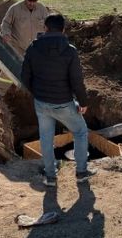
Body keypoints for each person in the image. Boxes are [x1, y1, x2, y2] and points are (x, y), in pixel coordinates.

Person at [21, 14, 96, 187]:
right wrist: (83, 102)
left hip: (41, 103)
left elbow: (25, 76)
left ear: (45, 28)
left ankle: (50, 177)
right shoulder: (70, 51)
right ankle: (81, 172)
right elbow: (77, 81)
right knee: (80, 131)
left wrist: (37, 92)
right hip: (64, 102)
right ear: (63, 30)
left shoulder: (33, 48)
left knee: (46, 138)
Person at [0, 0, 49, 101]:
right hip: (18, 45)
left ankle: (42, 96)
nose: (31, 4)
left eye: (33, 2)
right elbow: (6, 23)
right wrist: (6, 33)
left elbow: (48, 25)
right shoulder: (15, 9)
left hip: (35, 47)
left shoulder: (42, 9)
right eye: (29, 1)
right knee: (10, 67)